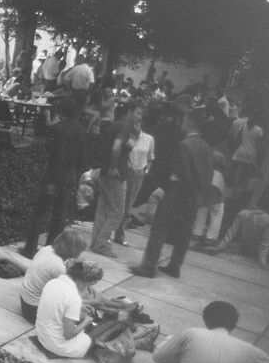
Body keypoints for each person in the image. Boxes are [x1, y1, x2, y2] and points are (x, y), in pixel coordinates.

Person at [130, 109, 215, 279]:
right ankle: (174, 267)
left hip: (179, 191)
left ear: (190, 123)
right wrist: (197, 195)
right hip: (195, 195)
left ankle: (148, 267)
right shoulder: (206, 147)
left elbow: (183, 173)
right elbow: (208, 174)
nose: (182, 124)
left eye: (184, 120)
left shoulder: (185, 145)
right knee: (185, 232)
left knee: (159, 228)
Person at [22, 98, 87, 257]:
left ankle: (30, 249)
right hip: (70, 175)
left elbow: (56, 154)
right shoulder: (81, 130)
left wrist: (51, 180)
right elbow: (82, 157)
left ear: (60, 112)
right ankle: (50, 252)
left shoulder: (58, 129)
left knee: (40, 214)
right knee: (59, 217)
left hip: (55, 174)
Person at [89, 100, 145, 258]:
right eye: (138, 113)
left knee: (102, 209)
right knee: (117, 213)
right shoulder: (126, 126)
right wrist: (114, 167)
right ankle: (100, 244)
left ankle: (95, 242)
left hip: (104, 172)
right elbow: (116, 147)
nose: (140, 117)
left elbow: (123, 148)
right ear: (129, 112)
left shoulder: (117, 125)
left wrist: (136, 135)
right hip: (116, 175)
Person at [19, 229, 87, 323]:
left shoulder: (47, 249)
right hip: (34, 312)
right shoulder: (59, 267)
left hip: (24, 302)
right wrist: (95, 301)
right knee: (82, 314)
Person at [113, 116, 155, 246]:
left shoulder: (149, 139)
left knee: (128, 205)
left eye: (138, 123)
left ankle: (120, 234)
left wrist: (146, 170)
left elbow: (150, 157)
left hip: (139, 173)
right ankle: (109, 232)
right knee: (119, 203)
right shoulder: (127, 137)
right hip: (126, 171)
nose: (136, 126)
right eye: (134, 124)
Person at [202, 206, 269, 269]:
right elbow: (266, 242)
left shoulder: (243, 213)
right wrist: (262, 262)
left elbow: (232, 232)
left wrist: (219, 247)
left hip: (244, 247)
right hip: (258, 253)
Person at [229, 109, 264, 198]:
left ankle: (234, 190)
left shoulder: (243, 126)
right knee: (247, 173)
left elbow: (238, 138)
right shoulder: (259, 130)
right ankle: (243, 190)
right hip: (251, 153)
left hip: (241, 150)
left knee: (238, 171)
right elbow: (258, 144)